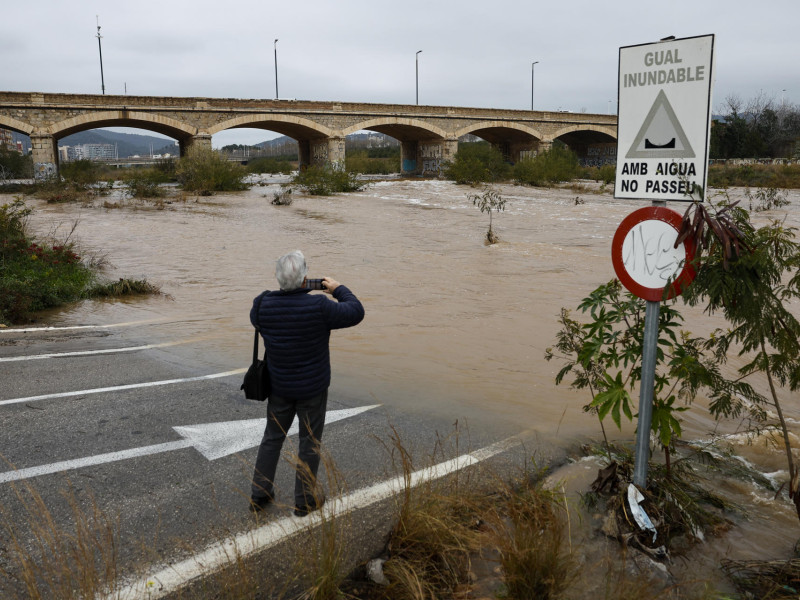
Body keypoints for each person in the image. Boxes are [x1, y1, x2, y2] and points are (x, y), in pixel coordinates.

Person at [249, 250, 364, 516]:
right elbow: (356, 311)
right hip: (313, 389)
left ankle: (259, 494)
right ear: (305, 280)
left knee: (272, 438)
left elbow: (257, 320)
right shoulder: (319, 307)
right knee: (309, 442)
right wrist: (338, 289)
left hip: (278, 387)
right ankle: (304, 501)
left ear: (278, 279)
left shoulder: (262, 304)